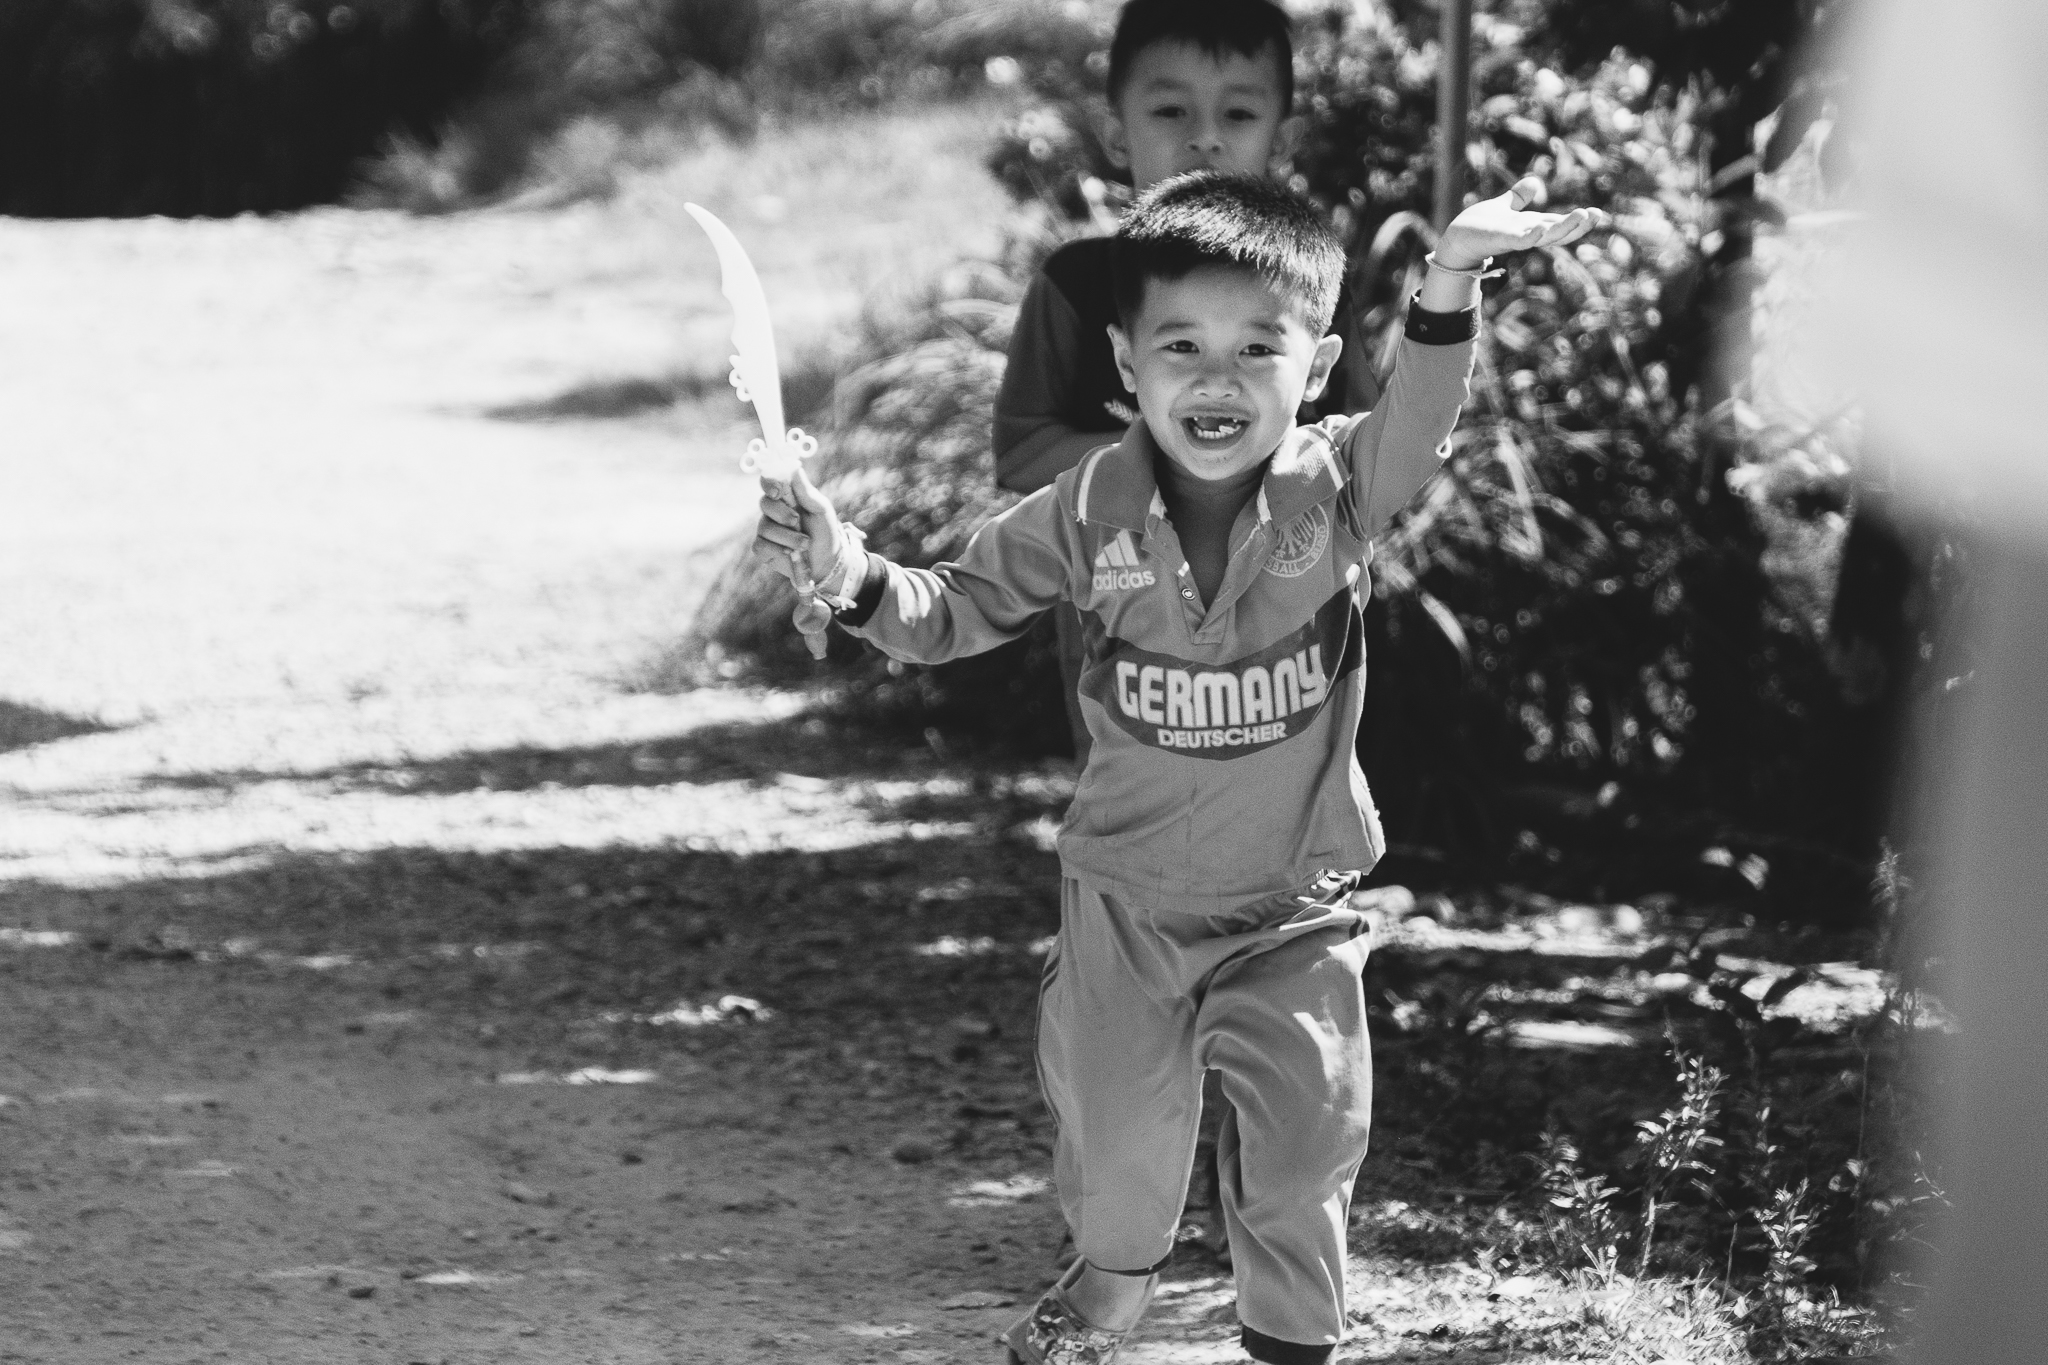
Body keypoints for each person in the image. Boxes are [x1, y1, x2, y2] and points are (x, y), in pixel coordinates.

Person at [756, 172, 1600, 1365]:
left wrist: (1452, 274)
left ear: (1311, 371)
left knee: (1310, 1144)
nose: (1217, 378)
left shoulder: (1343, 488)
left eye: (1259, 347)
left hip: (1291, 909)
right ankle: (1109, 1286)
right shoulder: (1082, 509)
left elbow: (1420, 409)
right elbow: (941, 614)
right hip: (1127, 908)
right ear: (1123, 362)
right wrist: (841, 566)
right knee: (1119, 1153)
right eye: (1181, 346)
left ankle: (1291, 1346)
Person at [995, 0, 1381, 764]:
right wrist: (1171, 461)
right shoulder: (1077, 284)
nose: (1204, 136)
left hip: (1288, 628)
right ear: (1116, 130)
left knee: (1280, 814)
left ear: (1285, 135)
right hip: (1124, 632)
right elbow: (1021, 451)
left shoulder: (1308, 286)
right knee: (1135, 816)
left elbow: (1371, 447)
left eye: (1238, 112)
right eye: (1170, 108)